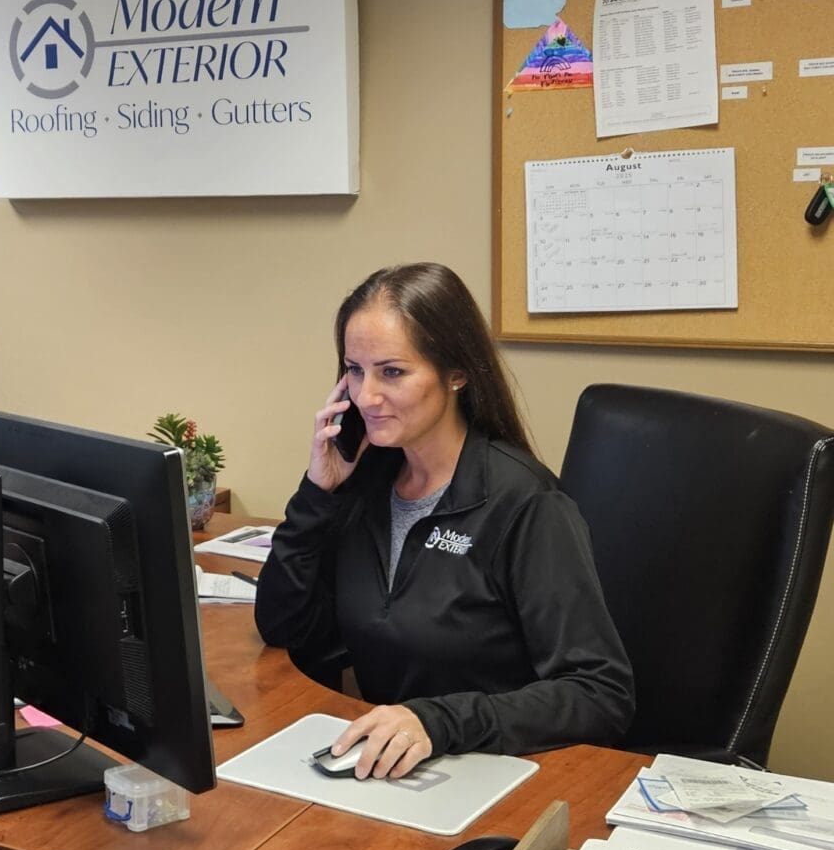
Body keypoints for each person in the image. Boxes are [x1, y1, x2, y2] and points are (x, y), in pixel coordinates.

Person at [254, 263, 634, 781]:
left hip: (500, 771)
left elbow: (600, 694)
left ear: (457, 373)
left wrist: (438, 720)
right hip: (393, 771)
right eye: (354, 370)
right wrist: (317, 493)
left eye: (392, 372)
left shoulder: (523, 503)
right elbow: (285, 625)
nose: (366, 397)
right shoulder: (365, 483)